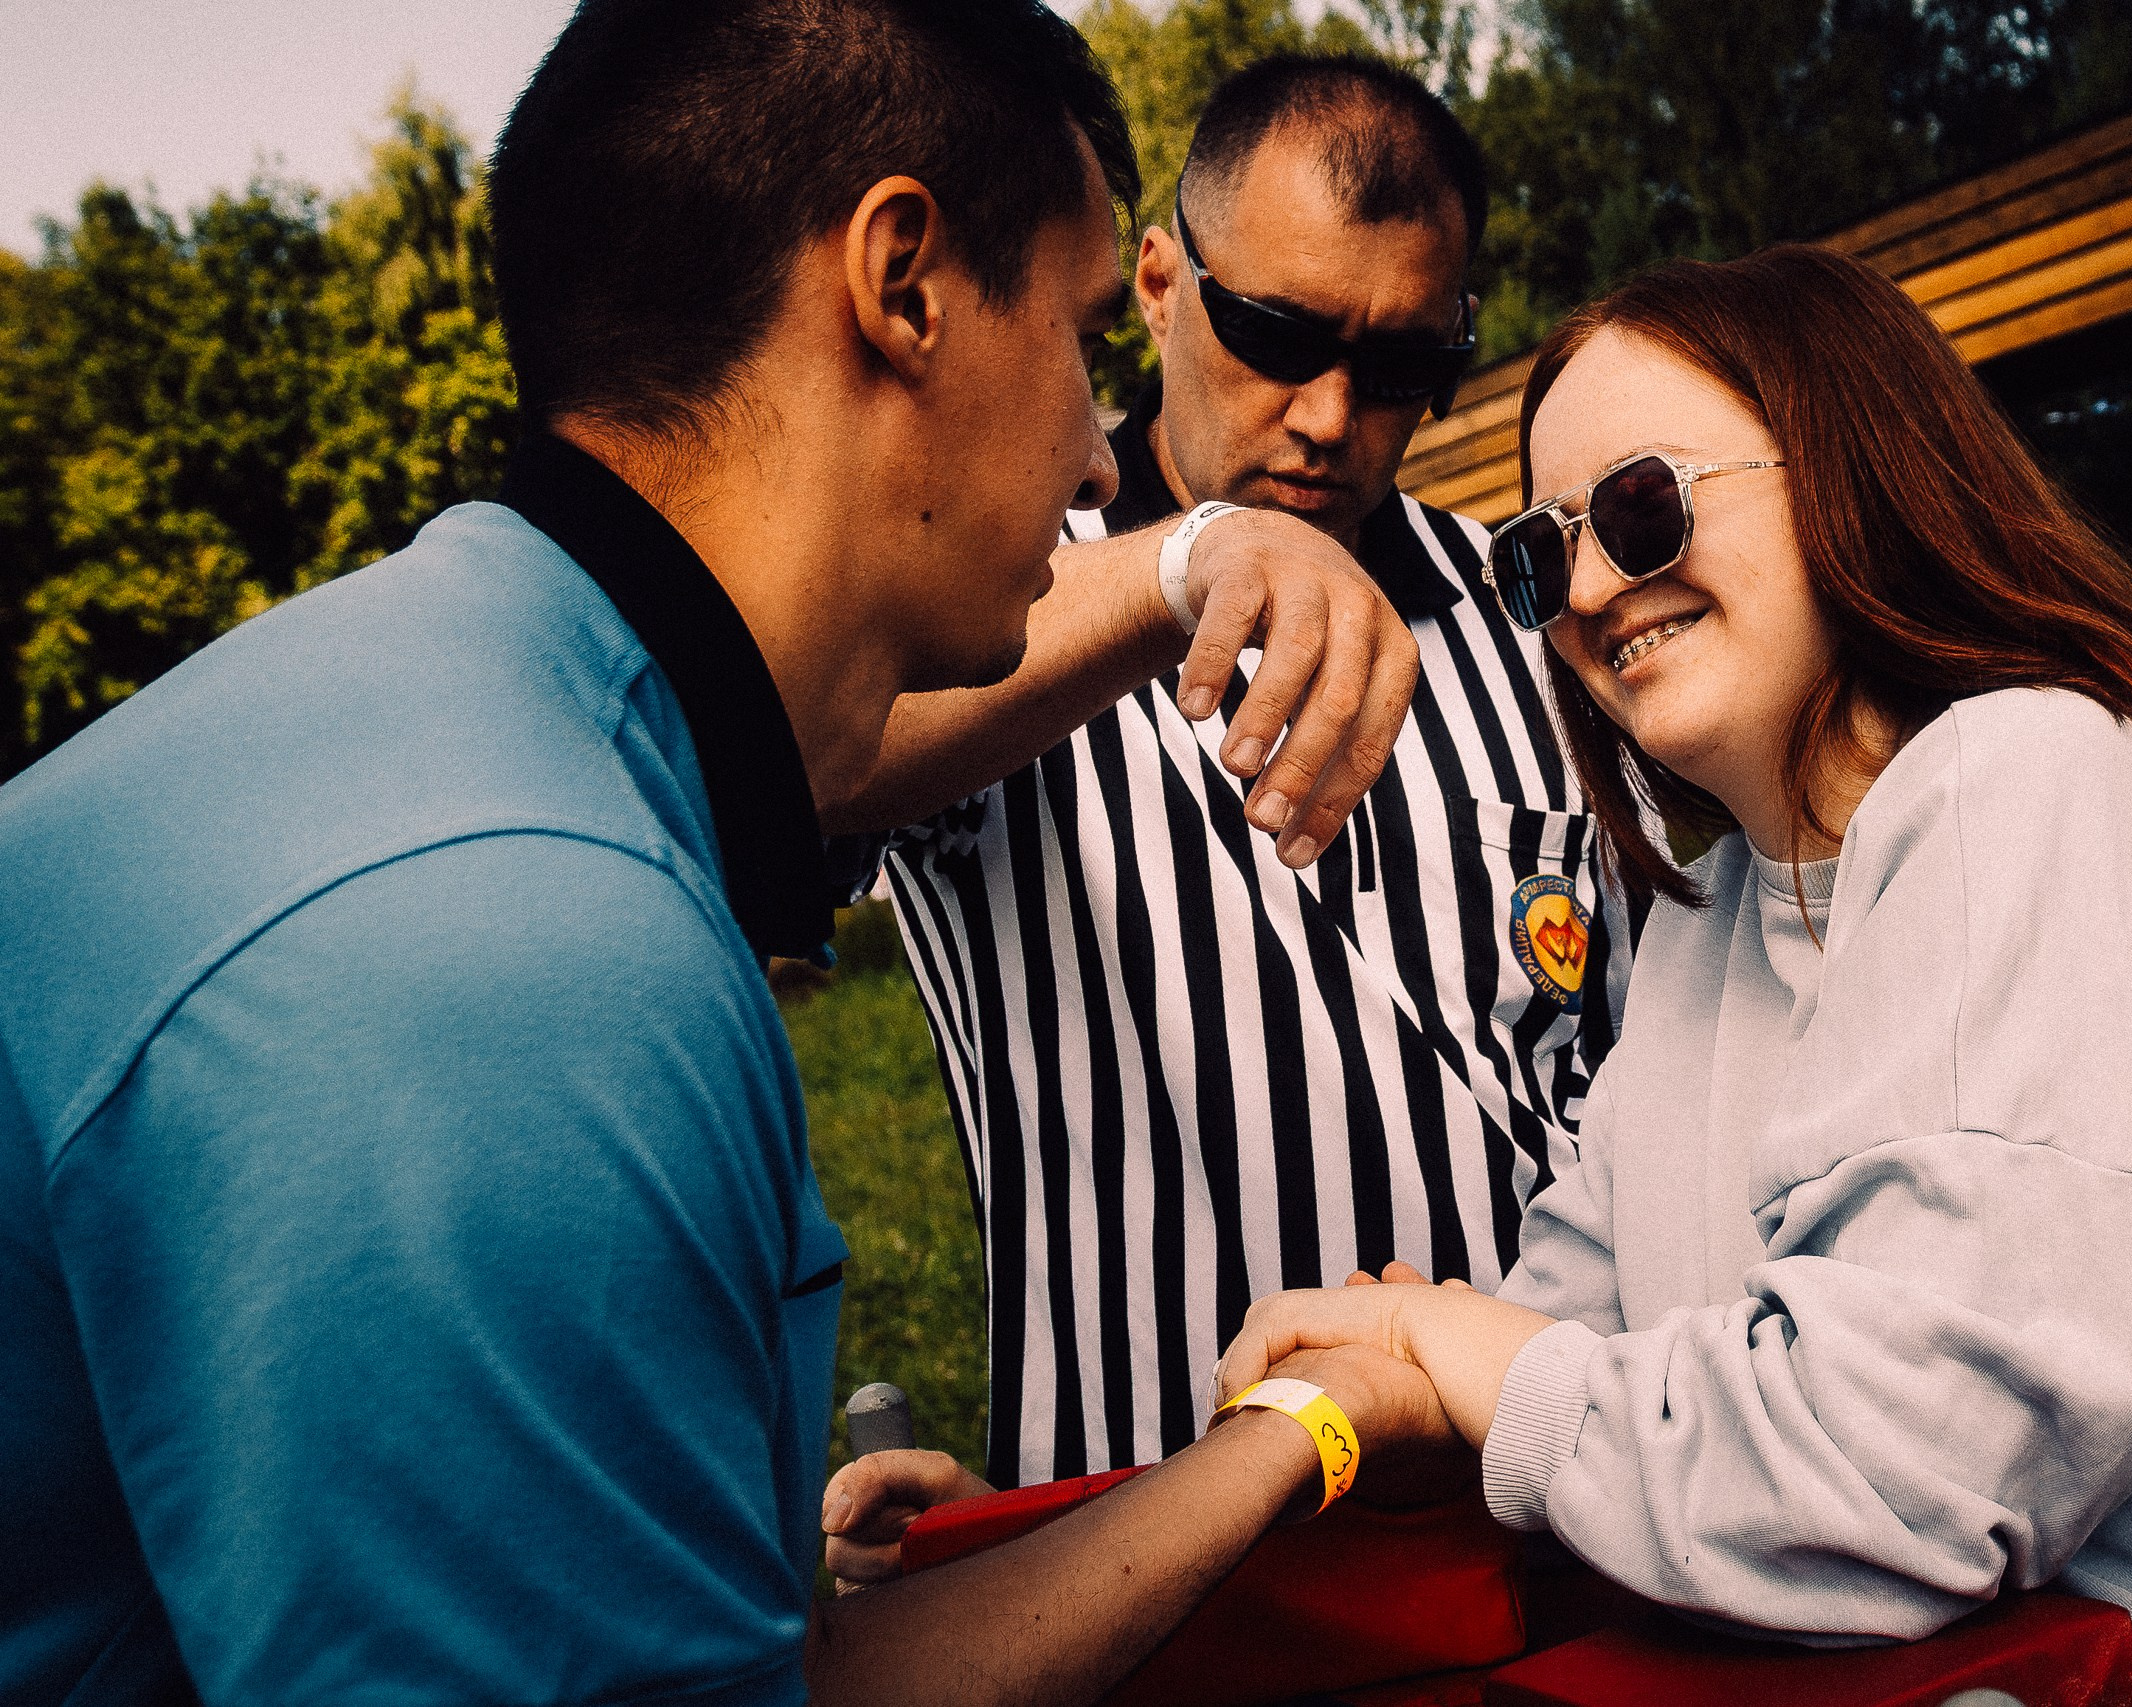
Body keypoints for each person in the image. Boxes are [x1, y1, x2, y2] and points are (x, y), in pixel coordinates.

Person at [0, 5, 1454, 1705]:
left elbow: (787, 1676)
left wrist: (1297, 1434)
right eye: (1072, 336)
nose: (1085, 447)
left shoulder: (464, 730)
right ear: (902, 284)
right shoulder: (510, 949)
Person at [1215, 246, 2132, 1706]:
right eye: (1542, 556)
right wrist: (1408, 1373)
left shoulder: (2024, 777)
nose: (1593, 587)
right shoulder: (1710, 916)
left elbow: (1896, 1484)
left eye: (1643, 508)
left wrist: (1464, 1353)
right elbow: (1577, 1345)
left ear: (1852, 473)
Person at [833, 54, 1629, 1491]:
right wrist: (1186, 564)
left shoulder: (1527, 609)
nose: (1330, 417)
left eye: (1399, 369)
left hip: (1533, 1505)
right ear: (1155, 285)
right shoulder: (997, 588)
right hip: (1140, 1527)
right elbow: (823, 746)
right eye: (1277, 334)